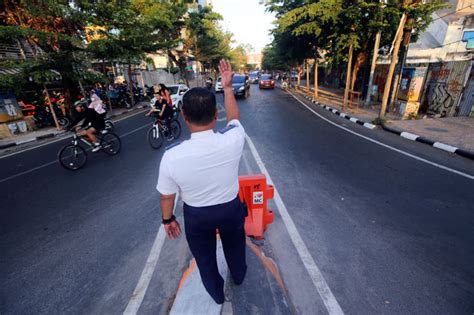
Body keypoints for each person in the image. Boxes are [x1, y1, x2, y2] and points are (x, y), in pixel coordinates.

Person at [156, 59, 246, 304]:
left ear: (183, 116)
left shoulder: (171, 156)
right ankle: (239, 276)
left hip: (197, 216)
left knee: (205, 259)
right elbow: (235, 119)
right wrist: (227, 88)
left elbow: (167, 196)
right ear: (216, 115)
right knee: (236, 246)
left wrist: (168, 219)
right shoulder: (234, 139)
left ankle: (217, 295)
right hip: (230, 208)